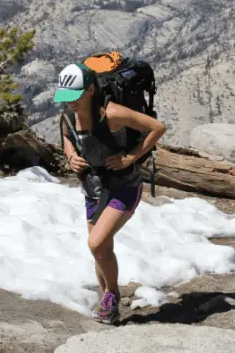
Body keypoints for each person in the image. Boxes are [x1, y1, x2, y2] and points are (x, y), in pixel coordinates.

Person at [54, 62, 166, 324]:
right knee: (101, 249)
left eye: (75, 96)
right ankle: (107, 302)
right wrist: (71, 156)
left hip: (123, 186)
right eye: (66, 97)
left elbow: (157, 128)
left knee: (95, 243)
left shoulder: (112, 113)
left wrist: (130, 157)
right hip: (92, 187)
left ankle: (112, 295)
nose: (69, 103)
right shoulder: (69, 113)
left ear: (91, 90)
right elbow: (67, 136)